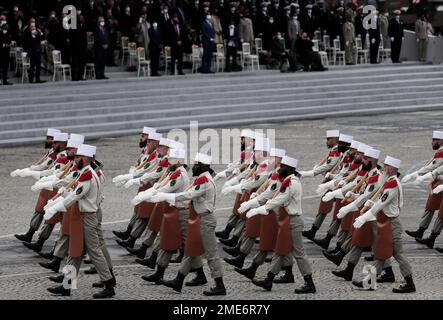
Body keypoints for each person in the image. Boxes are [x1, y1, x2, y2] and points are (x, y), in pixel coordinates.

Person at [45, 144, 116, 299]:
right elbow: (71, 190)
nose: (76, 159)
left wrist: (56, 207)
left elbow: (75, 196)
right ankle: (67, 285)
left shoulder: (87, 175)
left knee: (94, 251)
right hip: (82, 215)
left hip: (87, 217)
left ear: (88, 158)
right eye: (76, 156)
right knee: (75, 251)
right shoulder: (84, 172)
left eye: (79, 157)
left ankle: (109, 284)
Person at [154, 153, 227, 296]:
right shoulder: (201, 178)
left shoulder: (204, 179)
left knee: (211, 254)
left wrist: (167, 196)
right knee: (190, 250)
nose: (193, 167)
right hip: (200, 219)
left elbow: (189, 195)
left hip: (205, 220)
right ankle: (178, 280)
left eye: (196, 164)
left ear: (203, 166)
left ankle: (220, 285)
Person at [248, 156, 317, 294]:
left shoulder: (291, 183)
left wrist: (260, 209)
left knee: (299, 253)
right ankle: (268, 280)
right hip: (288, 220)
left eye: (283, 166)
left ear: (290, 168)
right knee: (280, 250)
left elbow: (280, 199)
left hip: (293, 221)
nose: (280, 168)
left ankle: (309, 283)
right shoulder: (287, 181)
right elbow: (272, 193)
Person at [352, 156, 416, 293]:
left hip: (392, 224)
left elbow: (381, 204)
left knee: (398, 254)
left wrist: (363, 218)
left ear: (392, 168)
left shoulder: (392, 184)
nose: (384, 168)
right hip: (387, 223)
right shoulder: (389, 182)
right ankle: (368, 281)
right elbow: (379, 199)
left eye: (386, 166)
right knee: (381, 254)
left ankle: (410, 283)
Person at [23, 19, 45, 83]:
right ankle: (31, 79)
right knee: (32, 65)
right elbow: (25, 42)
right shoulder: (27, 32)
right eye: (32, 26)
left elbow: (41, 39)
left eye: (34, 26)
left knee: (38, 65)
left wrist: (40, 33)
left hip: (38, 50)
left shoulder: (37, 32)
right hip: (31, 51)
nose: (33, 27)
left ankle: (38, 78)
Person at [0, 20, 12, 85]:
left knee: (5, 67)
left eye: (6, 29)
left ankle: (5, 80)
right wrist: (4, 45)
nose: (5, 30)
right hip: (0, 53)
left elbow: (9, 41)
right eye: (4, 28)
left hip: (6, 53)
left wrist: (9, 44)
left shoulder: (8, 34)